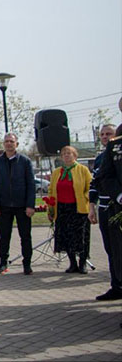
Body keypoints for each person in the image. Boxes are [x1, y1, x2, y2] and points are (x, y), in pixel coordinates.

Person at [0, 132, 36, 275]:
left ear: (17, 144)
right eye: (6, 141)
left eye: (11, 141)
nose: (9, 144)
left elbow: (30, 184)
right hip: (4, 206)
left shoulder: (25, 161)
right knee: (4, 236)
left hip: (22, 206)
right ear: (3, 144)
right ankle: (3, 263)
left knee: (25, 236)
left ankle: (27, 264)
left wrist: (30, 205)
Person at [48, 146, 93, 274]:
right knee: (66, 236)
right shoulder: (57, 172)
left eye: (69, 153)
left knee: (81, 237)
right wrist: (50, 209)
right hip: (62, 208)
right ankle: (72, 263)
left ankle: (82, 263)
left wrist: (85, 198)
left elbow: (90, 187)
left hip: (78, 209)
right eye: (64, 154)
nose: (66, 155)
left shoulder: (82, 170)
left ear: (75, 156)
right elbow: (51, 190)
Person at [90, 124, 122, 300]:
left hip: (116, 206)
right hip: (105, 208)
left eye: (108, 133)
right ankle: (116, 284)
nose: (104, 137)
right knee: (111, 249)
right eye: (102, 134)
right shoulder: (101, 158)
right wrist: (91, 207)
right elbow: (96, 183)